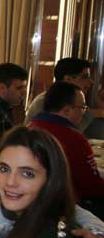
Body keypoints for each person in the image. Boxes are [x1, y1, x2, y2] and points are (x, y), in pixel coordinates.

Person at [29, 81, 104, 218]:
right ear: (67, 110)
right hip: (64, 207)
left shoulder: (31, 128)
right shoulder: (75, 139)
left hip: (34, 203)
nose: (84, 112)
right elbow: (91, 186)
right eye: (82, 107)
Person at [25, 57, 94, 132]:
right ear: (68, 79)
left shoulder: (70, 100)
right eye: (85, 77)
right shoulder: (45, 100)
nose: (91, 81)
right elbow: (65, 133)